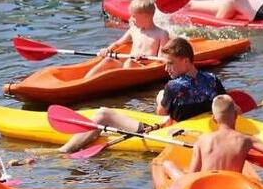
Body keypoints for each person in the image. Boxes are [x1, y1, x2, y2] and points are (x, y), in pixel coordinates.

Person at [59, 37, 226, 153]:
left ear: (186, 61)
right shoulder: (212, 79)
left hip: (168, 132)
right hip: (198, 127)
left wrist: (161, 99)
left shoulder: (174, 86)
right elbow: (226, 105)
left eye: (170, 63)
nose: (166, 68)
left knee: (103, 114)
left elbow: (161, 114)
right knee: (161, 94)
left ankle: (64, 150)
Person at [163, 95, 263, 181]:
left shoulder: (202, 140)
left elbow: (193, 175)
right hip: (233, 185)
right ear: (236, 116)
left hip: (205, 185)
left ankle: (167, 168)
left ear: (214, 119)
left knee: (167, 164)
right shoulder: (246, 140)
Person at [84, 0, 169, 79]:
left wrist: (146, 59)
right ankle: (86, 80)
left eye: (134, 16)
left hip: (146, 67)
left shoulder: (161, 34)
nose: (131, 19)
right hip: (130, 63)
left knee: (129, 63)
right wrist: (107, 50)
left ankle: (120, 81)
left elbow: (161, 59)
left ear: (147, 16)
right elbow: (117, 44)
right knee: (108, 60)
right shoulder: (133, 30)